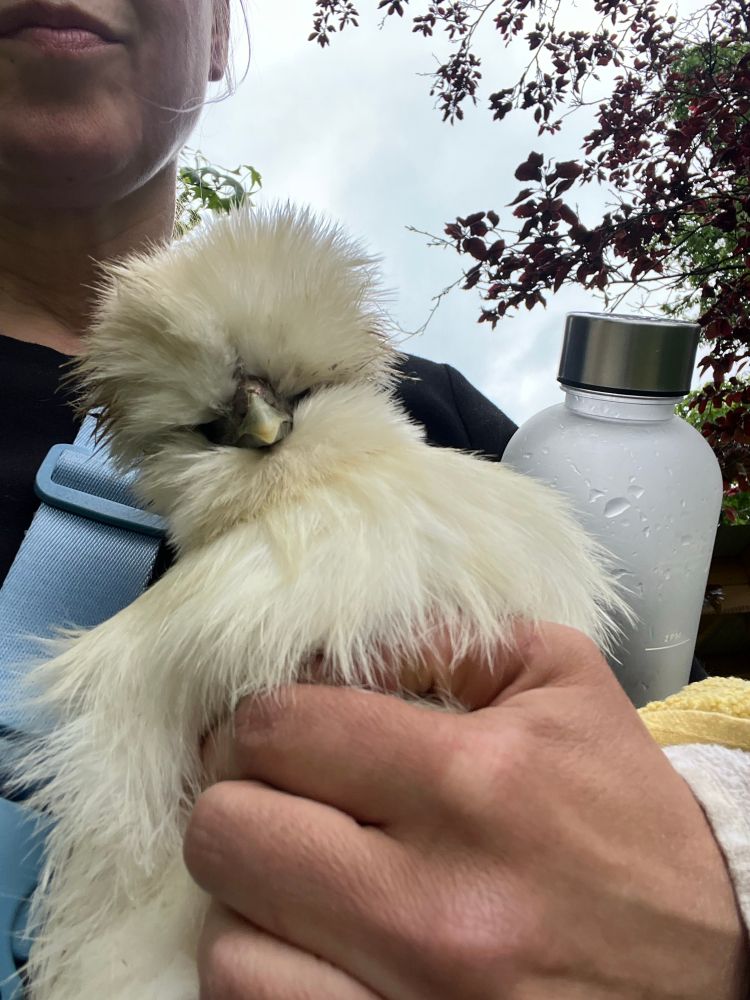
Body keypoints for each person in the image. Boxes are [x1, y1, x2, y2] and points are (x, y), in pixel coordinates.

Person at [0, 1, 746, 997]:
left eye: (308, 393)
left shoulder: (467, 423)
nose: (265, 426)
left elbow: (690, 728)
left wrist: (716, 897)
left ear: (218, 33)